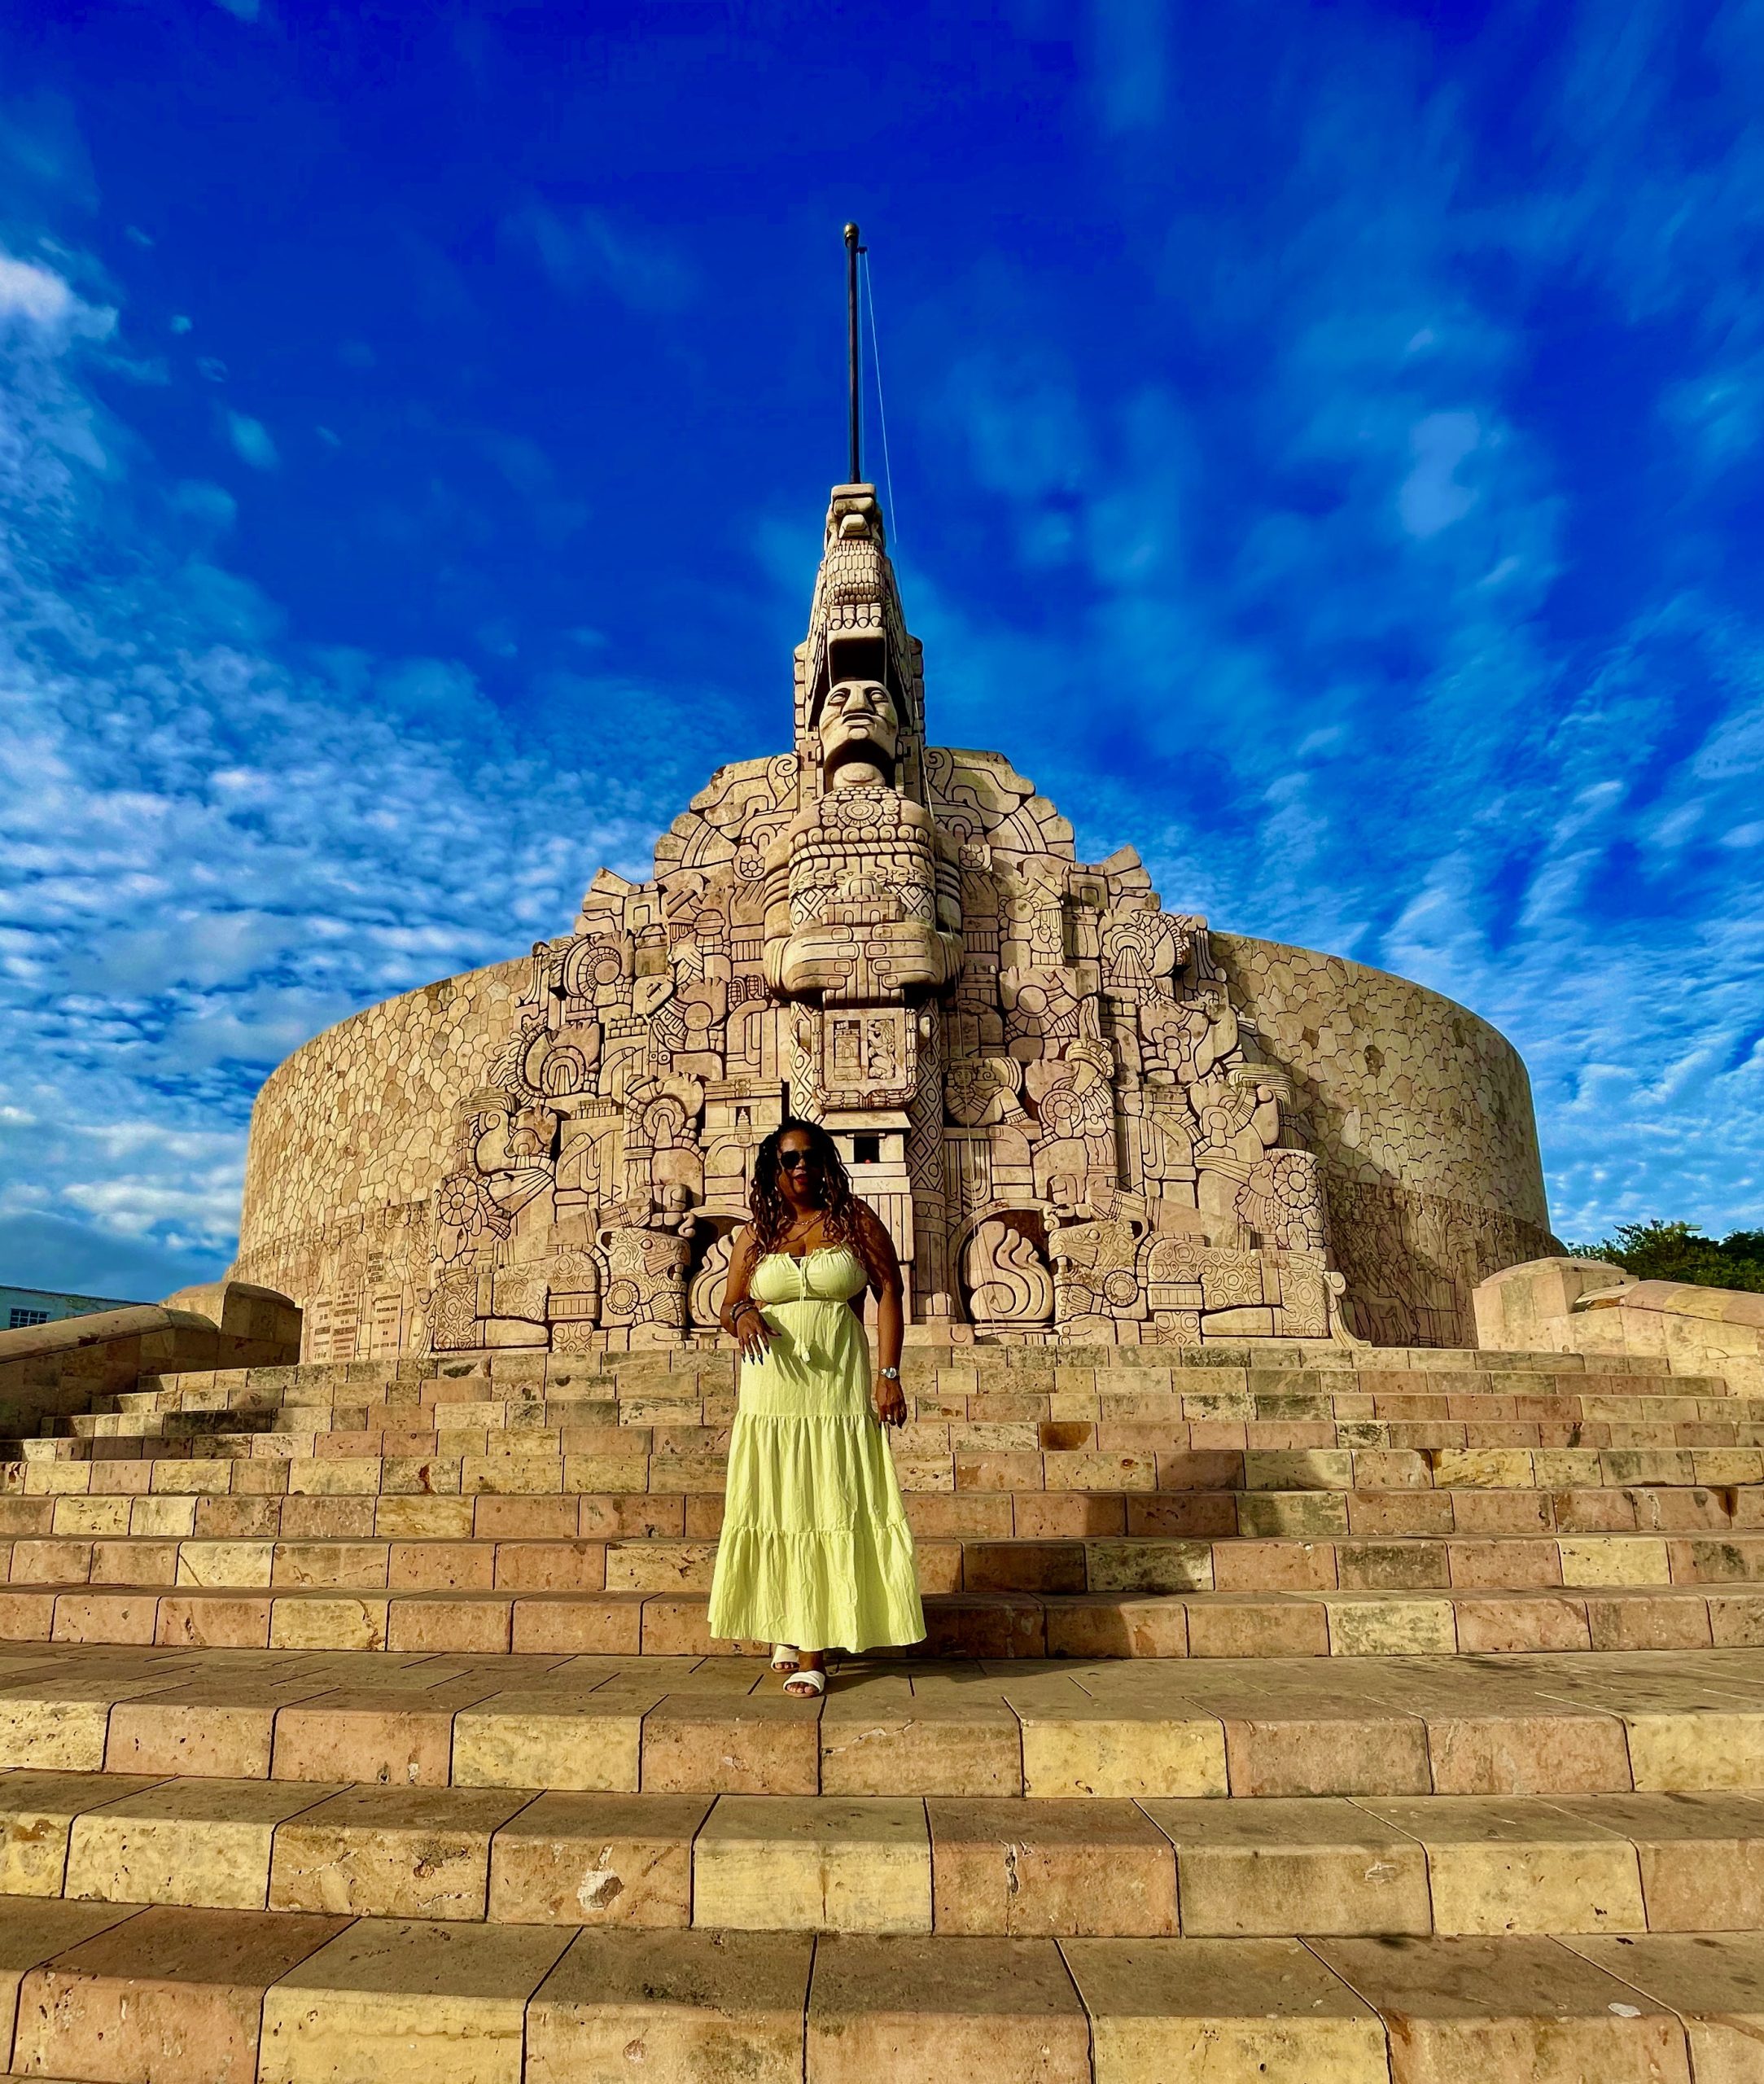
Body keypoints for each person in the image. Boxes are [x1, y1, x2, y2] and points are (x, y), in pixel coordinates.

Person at [706, 1120, 926, 1694]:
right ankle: (789, 1619)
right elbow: (727, 1305)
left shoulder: (854, 1222)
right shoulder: (756, 1234)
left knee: (828, 1500)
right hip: (772, 1390)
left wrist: (889, 1376)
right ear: (771, 1170)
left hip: (835, 1388)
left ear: (826, 1161)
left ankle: (813, 1651)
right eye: (787, 1159)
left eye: (809, 1156)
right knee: (780, 1505)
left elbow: (889, 1296)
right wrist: (742, 1315)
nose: (799, 1166)